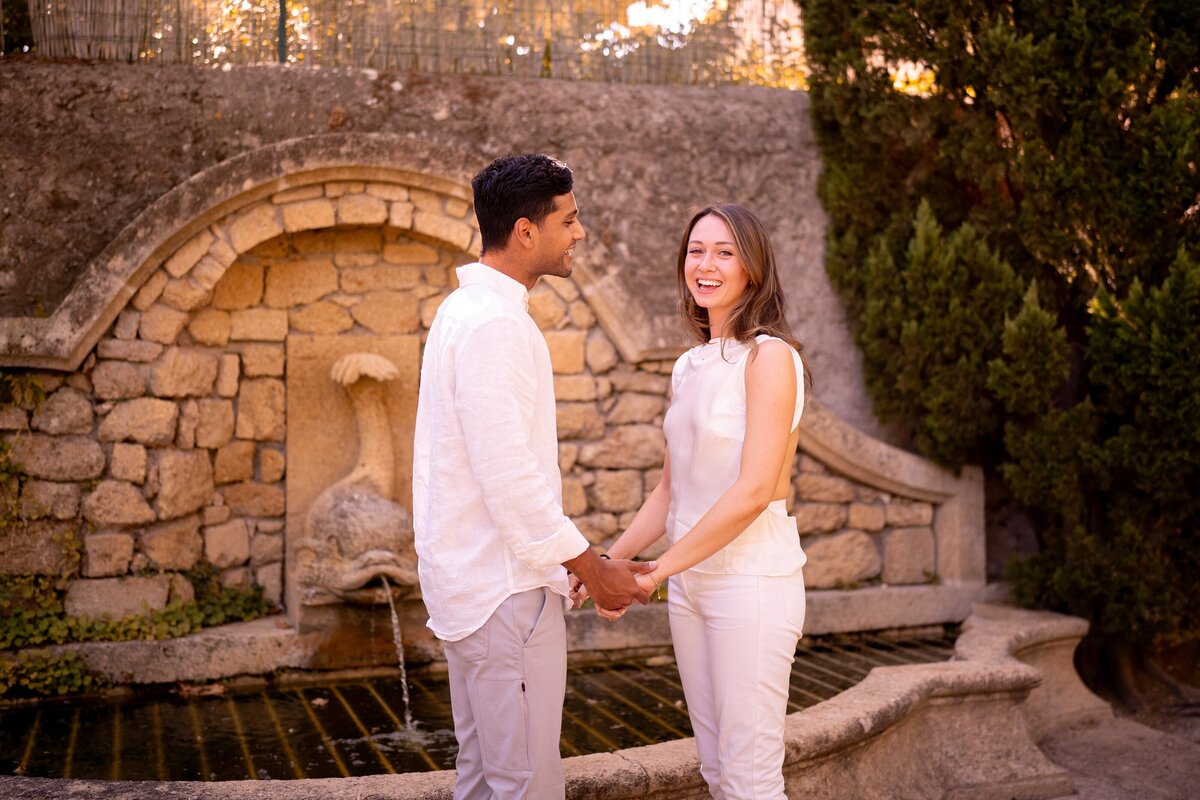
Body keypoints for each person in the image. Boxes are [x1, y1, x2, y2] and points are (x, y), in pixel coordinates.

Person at [411, 153, 654, 800]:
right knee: (526, 788)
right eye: (568, 220)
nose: (579, 233)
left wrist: (563, 566)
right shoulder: (493, 325)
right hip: (503, 597)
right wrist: (589, 566)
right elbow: (508, 476)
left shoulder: (463, 314)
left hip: (483, 591)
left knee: (486, 783)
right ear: (525, 231)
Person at [577, 203, 810, 799]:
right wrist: (606, 564)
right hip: (690, 588)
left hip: (751, 583)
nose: (706, 264)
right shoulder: (687, 366)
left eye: (725, 252)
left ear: (753, 269)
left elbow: (756, 489)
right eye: (696, 250)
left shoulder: (771, 357)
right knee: (715, 770)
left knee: (751, 778)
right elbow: (668, 493)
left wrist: (651, 575)